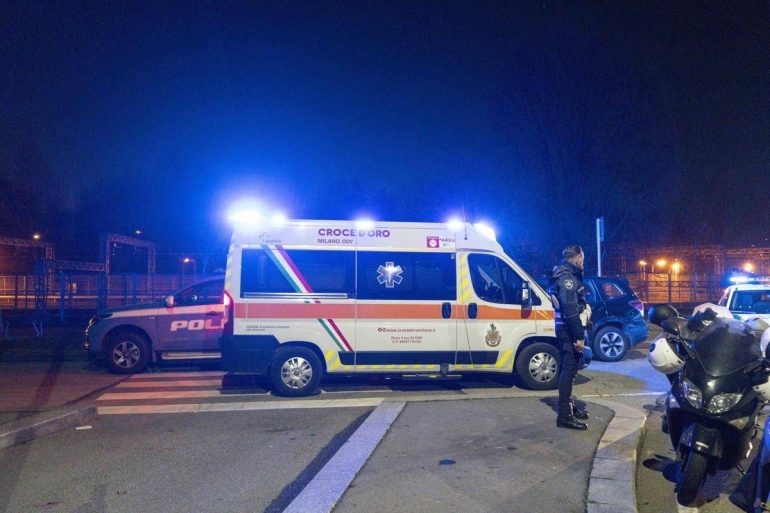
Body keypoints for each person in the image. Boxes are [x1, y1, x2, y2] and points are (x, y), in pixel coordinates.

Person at [550, 245, 590, 430]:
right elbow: (570, 310)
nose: (583, 262)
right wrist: (579, 337)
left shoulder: (565, 275)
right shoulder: (567, 278)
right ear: (577, 258)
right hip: (569, 331)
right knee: (568, 371)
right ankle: (565, 416)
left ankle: (569, 408)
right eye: (582, 259)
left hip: (566, 329)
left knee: (570, 371)